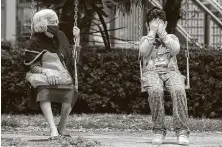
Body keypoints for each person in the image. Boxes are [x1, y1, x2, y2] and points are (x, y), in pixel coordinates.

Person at [24, 9, 81, 139]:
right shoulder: (35, 41)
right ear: (43, 24)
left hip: (61, 75)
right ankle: (52, 128)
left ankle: (61, 126)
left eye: (56, 21)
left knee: (71, 91)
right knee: (44, 92)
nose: (56, 24)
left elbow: (74, 60)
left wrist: (77, 39)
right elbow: (32, 66)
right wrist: (46, 72)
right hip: (44, 77)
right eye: (53, 22)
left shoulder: (60, 36)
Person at [139, 7, 190, 145]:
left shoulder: (171, 37)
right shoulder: (146, 39)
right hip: (151, 72)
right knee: (155, 90)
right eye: (153, 23)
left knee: (178, 89)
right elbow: (143, 52)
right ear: (147, 25)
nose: (157, 26)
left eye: (160, 23)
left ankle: (182, 131)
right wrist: (152, 33)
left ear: (165, 24)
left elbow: (176, 49)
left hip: (171, 71)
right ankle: (158, 131)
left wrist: (163, 35)